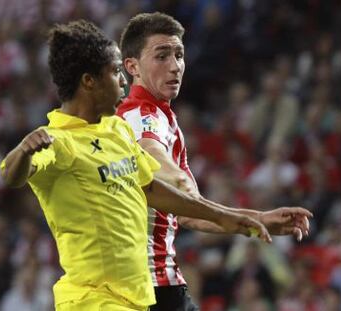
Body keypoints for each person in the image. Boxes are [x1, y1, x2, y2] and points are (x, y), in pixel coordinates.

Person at [0, 20, 273, 311]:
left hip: (138, 299)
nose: (123, 81)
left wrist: (226, 217)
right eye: (116, 71)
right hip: (93, 300)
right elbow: (12, 175)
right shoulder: (58, 141)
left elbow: (152, 189)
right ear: (89, 81)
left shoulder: (116, 130)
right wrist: (24, 151)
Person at [117, 12, 312, 311]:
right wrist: (243, 217)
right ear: (132, 66)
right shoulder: (141, 116)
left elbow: (187, 213)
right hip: (150, 288)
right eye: (162, 56)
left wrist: (257, 220)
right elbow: (174, 180)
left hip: (155, 286)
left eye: (179, 55)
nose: (174, 66)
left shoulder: (162, 118)